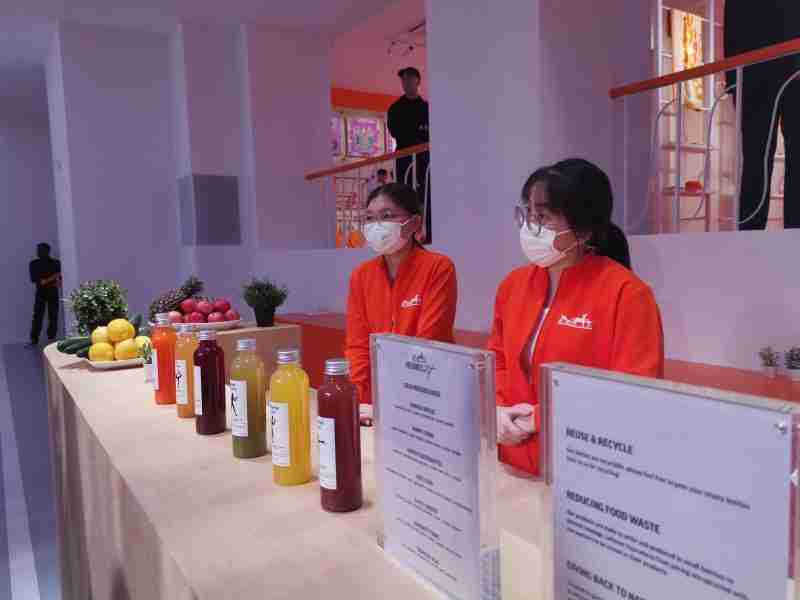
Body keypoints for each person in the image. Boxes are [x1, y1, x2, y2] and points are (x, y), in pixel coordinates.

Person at [488, 159, 664, 476]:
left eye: (543, 216)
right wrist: (498, 409)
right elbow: (498, 360)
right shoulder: (512, 286)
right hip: (512, 458)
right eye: (528, 213)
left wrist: (539, 418)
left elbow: (633, 394)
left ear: (583, 230)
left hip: (584, 467)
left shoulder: (627, 294)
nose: (530, 226)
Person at [345, 183, 457, 423]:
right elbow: (358, 346)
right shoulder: (361, 275)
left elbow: (429, 343)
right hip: (374, 405)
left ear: (414, 223)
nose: (377, 225)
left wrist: (394, 406)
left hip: (426, 396)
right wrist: (358, 400)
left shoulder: (438, 267)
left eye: (387, 216)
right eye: (370, 218)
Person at [724, 0, 800, 229]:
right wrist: (734, 83)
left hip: (790, 74)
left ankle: (794, 233)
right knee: (755, 159)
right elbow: (733, 23)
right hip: (755, 76)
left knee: (792, 157)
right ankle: (750, 231)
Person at [387, 67, 432, 242]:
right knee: (404, 195)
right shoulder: (396, 109)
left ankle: (427, 233)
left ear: (417, 81)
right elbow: (396, 132)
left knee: (426, 195)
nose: (405, 83)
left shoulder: (426, 108)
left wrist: (419, 138)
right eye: (403, 80)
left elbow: (430, 133)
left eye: (408, 79)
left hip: (425, 159)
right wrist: (416, 137)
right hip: (405, 159)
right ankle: (405, 235)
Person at [29, 242, 62, 345]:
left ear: (47, 251)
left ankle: (51, 338)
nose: (38, 252)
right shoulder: (34, 264)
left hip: (52, 292)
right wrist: (53, 277)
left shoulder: (56, 263)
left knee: (53, 315)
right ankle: (34, 339)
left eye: (40, 250)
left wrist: (56, 279)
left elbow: (59, 279)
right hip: (41, 292)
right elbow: (37, 280)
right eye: (38, 250)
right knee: (37, 315)